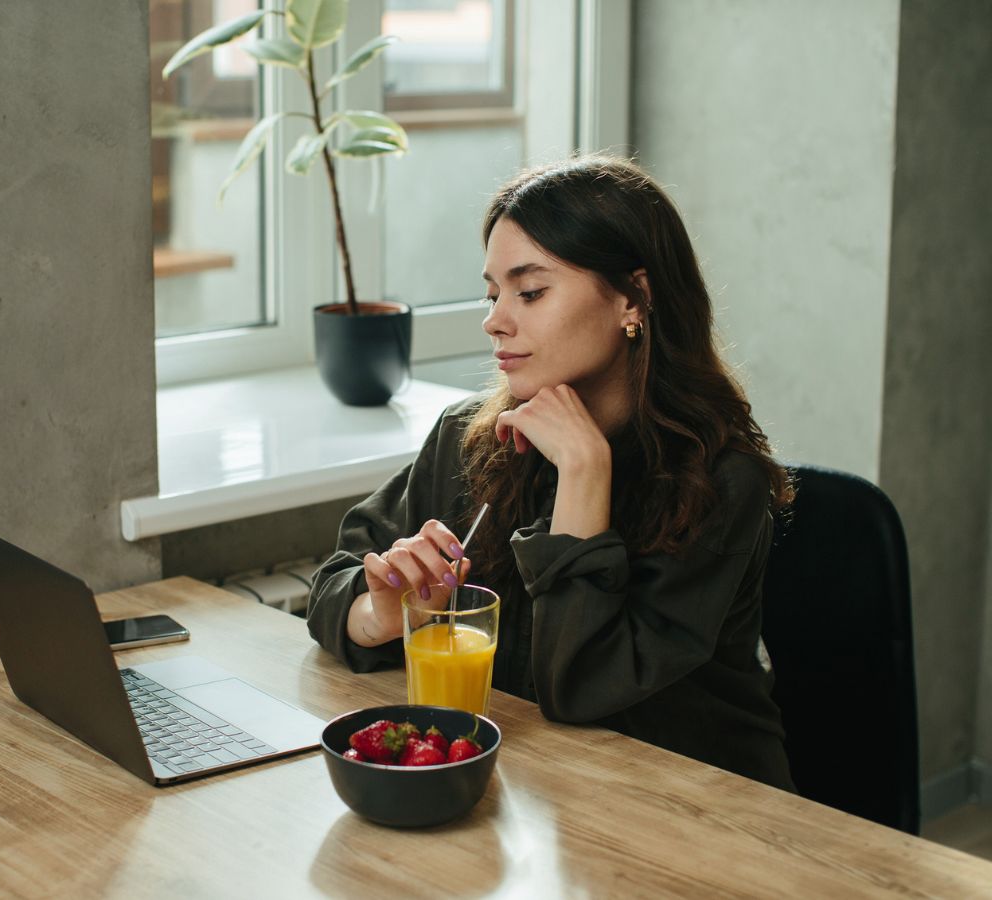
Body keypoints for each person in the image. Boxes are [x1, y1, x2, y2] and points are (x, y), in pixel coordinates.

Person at [306, 153, 796, 791]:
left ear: (634, 298)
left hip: (692, 811)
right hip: (538, 795)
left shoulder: (723, 481)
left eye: (530, 291)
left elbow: (580, 689)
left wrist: (584, 473)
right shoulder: (468, 436)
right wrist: (382, 613)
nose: (494, 319)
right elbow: (332, 584)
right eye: (493, 293)